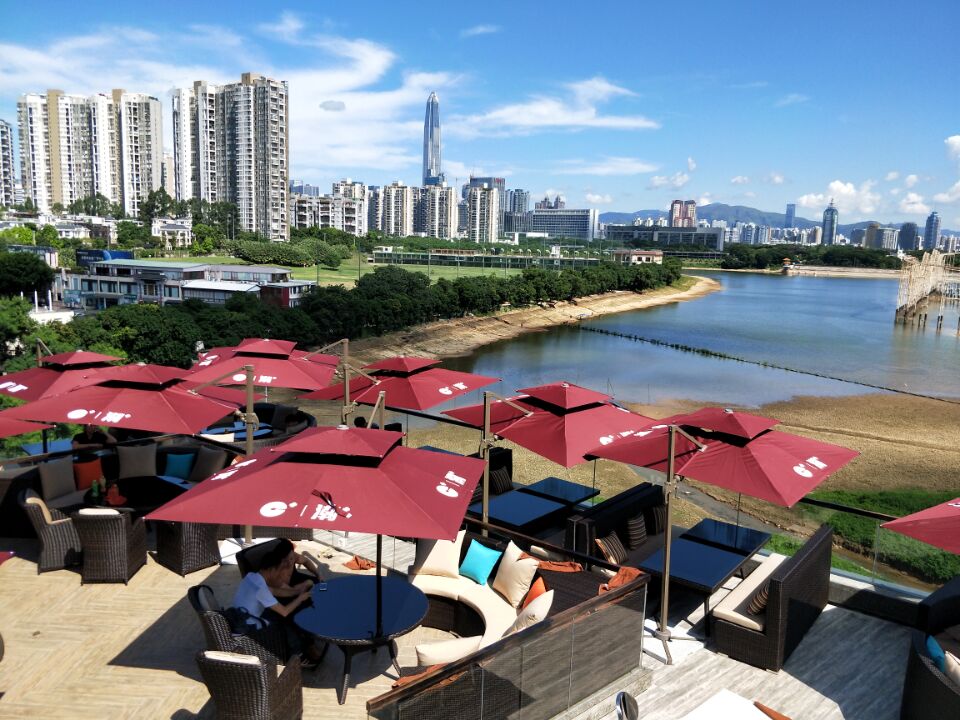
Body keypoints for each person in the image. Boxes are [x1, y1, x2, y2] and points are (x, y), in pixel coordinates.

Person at [231, 539, 325, 667]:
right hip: (248, 626)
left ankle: (309, 637)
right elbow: (284, 611)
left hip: (240, 615)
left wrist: (297, 593)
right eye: (278, 570)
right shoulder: (261, 589)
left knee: (291, 611)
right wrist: (300, 598)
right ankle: (297, 656)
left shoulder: (252, 576)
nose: (280, 573)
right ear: (272, 569)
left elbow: (275, 591)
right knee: (288, 621)